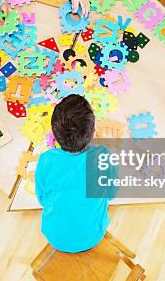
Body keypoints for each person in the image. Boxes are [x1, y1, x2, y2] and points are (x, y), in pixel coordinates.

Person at [35, 95, 113, 252]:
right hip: (94, 235)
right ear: (93, 134)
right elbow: (110, 194)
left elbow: (41, 198)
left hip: (54, 237)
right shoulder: (103, 156)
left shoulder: (46, 160)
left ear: (54, 136)